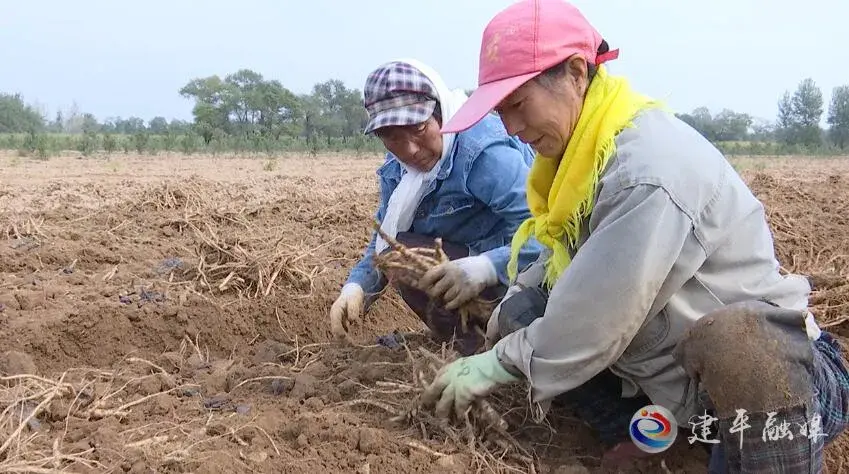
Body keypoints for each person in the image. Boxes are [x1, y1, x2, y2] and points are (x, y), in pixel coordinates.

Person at [419, 1, 849, 472]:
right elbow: (570, 269)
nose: (512, 129)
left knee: (739, 340)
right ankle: (668, 445)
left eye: (518, 105)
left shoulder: (645, 170)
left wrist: (493, 364)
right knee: (523, 312)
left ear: (576, 73)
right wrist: (504, 321)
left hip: (775, 383)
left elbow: (596, 313)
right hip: (673, 380)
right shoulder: (579, 157)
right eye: (501, 112)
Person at [329, 58, 543, 356]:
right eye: (392, 138)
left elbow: (544, 235)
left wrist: (485, 268)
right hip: (462, 265)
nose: (410, 150)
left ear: (440, 112)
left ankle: (514, 338)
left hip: (524, 275)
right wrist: (356, 287)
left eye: (418, 128)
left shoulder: (482, 153)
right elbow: (384, 240)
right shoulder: (398, 171)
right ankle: (468, 345)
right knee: (398, 256)